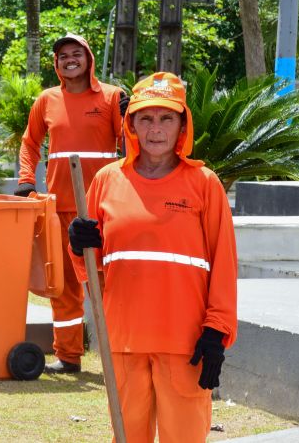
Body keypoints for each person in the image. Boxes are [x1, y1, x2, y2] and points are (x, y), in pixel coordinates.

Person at [68, 72, 238, 442]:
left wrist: (217, 332)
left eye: (166, 118)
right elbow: (91, 271)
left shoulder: (205, 184)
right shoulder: (107, 181)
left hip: (186, 343)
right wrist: (77, 246)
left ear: (182, 126)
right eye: (146, 118)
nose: (156, 129)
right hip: (124, 341)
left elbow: (224, 264)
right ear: (131, 125)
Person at [15, 34, 128, 374]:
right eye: (63, 56)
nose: (70, 60)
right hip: (59, 209)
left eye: (76, 54)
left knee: (107, 285)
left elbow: (132, 144)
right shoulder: (46, 100)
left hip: (103, 211)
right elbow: (29, 142)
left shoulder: (111, 96)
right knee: (63, 288)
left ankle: (122, 355)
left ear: (88, 58)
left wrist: (130, 116)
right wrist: (25, 180)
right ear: (57, 63)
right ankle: (68, 357)